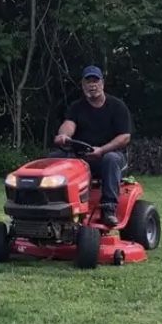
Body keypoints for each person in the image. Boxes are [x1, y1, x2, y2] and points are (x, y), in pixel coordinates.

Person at [53, 65, 132, 226]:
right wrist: (63, 135)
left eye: (95, 81)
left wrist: (102, 150)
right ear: (83, 85)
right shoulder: (77, 107)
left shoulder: (117, 106)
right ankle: (53, 205)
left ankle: (108, 209)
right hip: (83, 157)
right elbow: (69, 125)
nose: (92, 85)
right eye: (88, 82)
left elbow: (125, 137)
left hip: (111, 156)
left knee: (110, 159)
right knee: (54, 159)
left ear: (102, 83)